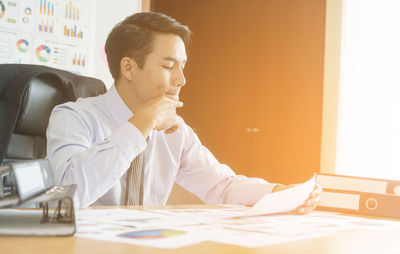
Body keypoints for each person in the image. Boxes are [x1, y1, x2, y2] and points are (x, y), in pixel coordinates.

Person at [46, 12, 321, 211]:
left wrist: (276, 193)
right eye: (168, 66)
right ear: (128, 68)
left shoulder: (176, 132)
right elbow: (68, 196)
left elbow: (221, 186)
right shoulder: (73, 117)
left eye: (182, 65)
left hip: (145, 252)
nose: (181, 80)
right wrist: (140, 124)